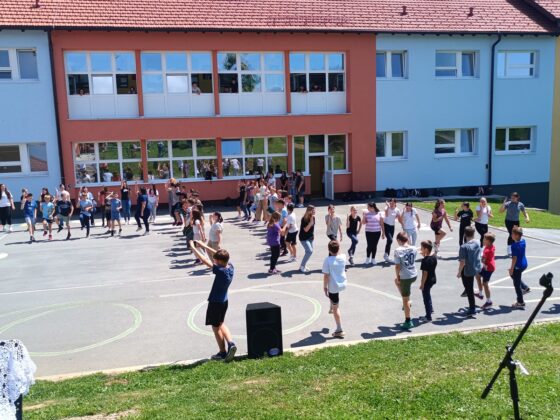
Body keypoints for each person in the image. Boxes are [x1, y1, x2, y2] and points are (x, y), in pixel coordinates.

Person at [188, 241, 237, 362]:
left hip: (215, 303)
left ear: (220, 261)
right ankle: (231, 343)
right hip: (224, 301)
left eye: (216, 260)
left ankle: (222, 352)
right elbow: (220, 254)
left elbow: (205, 260)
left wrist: (194, 248)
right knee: (220, 323)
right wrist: (204, 246)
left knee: (216, 328)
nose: (214, 261)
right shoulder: (230, 267)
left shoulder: (220, 271)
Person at [322, 240, 347, 338]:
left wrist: (325, 287)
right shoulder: (343, 257)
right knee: (335, 297)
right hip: (342, 283)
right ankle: (332, 305)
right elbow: (339, 252)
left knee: (336, 308)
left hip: (333, 286)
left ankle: (339, 330)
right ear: (339, 249)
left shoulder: (327, 260)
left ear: (329, 250)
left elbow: (326, 276)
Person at [394, 232, 418, 330]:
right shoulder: (414, 248)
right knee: (397, 282)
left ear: (399, 240)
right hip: (414, 274)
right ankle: (408, 301)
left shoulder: (398, 250)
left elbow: (397, 266)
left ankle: (408, 321)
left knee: (405, 299)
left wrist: (398, 276)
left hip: (405, 276)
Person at [457, 226, 482, 317]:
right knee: (469, 286)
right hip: (475, 267)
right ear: (474, 233)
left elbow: (462, 262)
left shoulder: (464, 247)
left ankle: (472, 308)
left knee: (469, 288)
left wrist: (459, 272)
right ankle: (468, 292)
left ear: (464, 234)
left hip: (467, 269)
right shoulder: (477, 243)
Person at [510, 227, 531, 309]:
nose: (511, 235)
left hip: (518, 266)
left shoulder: (514, 246)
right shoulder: (523, 241)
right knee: (514, 276)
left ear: (517, 235)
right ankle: (525, 287)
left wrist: (512, 268)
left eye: (512, 234)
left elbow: (514, 258)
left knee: (516, 284)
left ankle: (520, 302)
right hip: (524, 264)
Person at [419, 240, 437, 322]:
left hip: (427, 281)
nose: (421, 249)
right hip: (433, 279)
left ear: (426, 249)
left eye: (422, 248)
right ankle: (431, 309)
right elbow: (430, 257)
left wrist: (422, 284)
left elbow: (425, 274)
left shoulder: (424, 261)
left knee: (426, 298)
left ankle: (428, 316)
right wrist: (424, 255)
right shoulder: (434, 257)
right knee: (428, 294)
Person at [478, 233, 496, 310]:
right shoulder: (491, 246)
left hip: (488, 268)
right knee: (477, 275)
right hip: (489, 266)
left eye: (484, 239)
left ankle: (489, 301)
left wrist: (480, 258)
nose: (483, 240)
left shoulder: (487, 250)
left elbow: (483, 261)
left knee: (485, 284)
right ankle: (480, 293)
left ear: (488, 241)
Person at [298, 205, 316, 273]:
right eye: (313, 210)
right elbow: (306, 230)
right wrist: (311, 223)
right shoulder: (304, 219)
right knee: (309, 251)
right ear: (309, 211)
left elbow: (312, 229)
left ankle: (303, 265)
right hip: (304, 238)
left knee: (308, 252)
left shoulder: (313, 217)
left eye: (315, 210)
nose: (314, 211)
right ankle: (302, 266)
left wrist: (312, 236)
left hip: (310, 237)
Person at [383, 198, 401, 263]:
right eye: (390, 203)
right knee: (390, 240)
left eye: (393, 203)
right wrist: (388, 207)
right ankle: (386, 255)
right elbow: (386, 215)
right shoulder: (387, 208)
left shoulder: (397, 210)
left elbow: (399, 218)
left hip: (392, 226)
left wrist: (403, 224)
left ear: (395, 203)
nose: (391, 204)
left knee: (389, 241)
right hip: (386, 225)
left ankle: (386, 255)